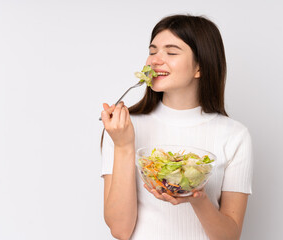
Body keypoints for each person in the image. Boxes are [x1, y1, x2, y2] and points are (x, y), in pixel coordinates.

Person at [100, 14, 253, 240]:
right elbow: (120, 230)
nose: (154, 60)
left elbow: (229, 236)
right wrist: (123, 145)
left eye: (171, 52)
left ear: (200, 67)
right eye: (152, 51)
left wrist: (196, 198)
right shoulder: (123, 127)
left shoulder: (234, 136)